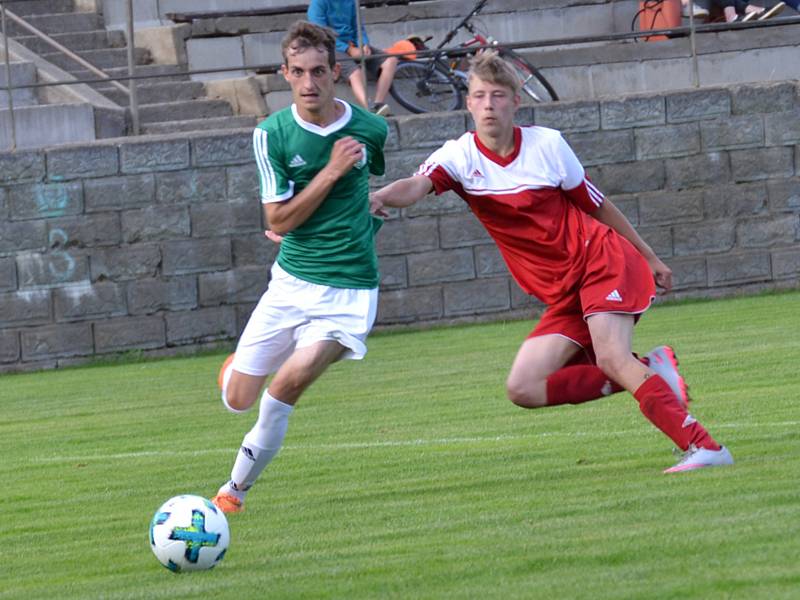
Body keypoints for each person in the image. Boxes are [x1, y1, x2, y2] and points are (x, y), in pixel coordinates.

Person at [370, 51, 734, 474]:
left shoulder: (547, 145)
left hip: (601, 262)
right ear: (468, 104)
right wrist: (378, 197)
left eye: (499, 95)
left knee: (612, 358)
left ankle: (705, 447)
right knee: (523, 387)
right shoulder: (459, 156)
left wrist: (648, 255)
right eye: (480, 96)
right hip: (566, 292)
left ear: (515, 102)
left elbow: (598, 206)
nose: (489, 105)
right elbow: (416, 186)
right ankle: (650, 369)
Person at [211, 20, 388, 514]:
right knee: (238, 398)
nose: (309, 83)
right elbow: (278, 219)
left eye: (318, 71)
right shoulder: (270, 135)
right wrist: (331, 171)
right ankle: (233, 373)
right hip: (290, 282)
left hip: (351, 292)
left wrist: (369, 212)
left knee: (289, 382)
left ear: (336, 71)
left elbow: (366, 191)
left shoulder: (371, 129)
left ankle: (233, 491)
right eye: (297, 72)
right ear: (284, 74)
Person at [307, 0, 398, 115]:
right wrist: (348, 49)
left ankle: (377, 105)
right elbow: (320, 35)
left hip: (354, 44)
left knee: (391, 60)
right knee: (355, 72)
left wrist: (364, 44)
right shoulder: (318, 3)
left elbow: (359, 27)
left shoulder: (352, 2)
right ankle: (368, 109)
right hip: (331, 47)